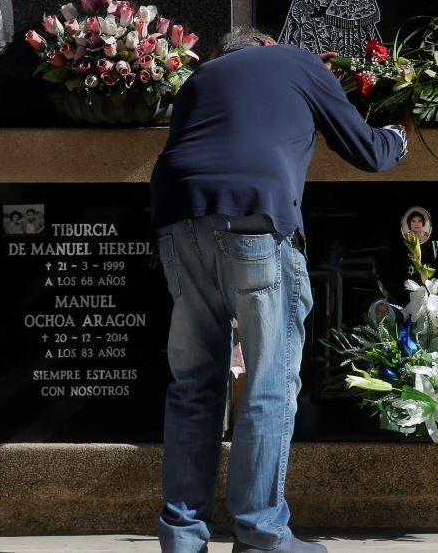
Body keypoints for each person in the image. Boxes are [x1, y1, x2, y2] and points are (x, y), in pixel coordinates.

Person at [150, 27, 408, 553]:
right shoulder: (295, 61)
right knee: (269, 380)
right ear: (266, 45)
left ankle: (181, 537)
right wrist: (401, 134)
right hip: (255, 219)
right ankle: (261, 533)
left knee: (195, 385)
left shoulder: (199, 78)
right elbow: (368, 151)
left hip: (177, 220)